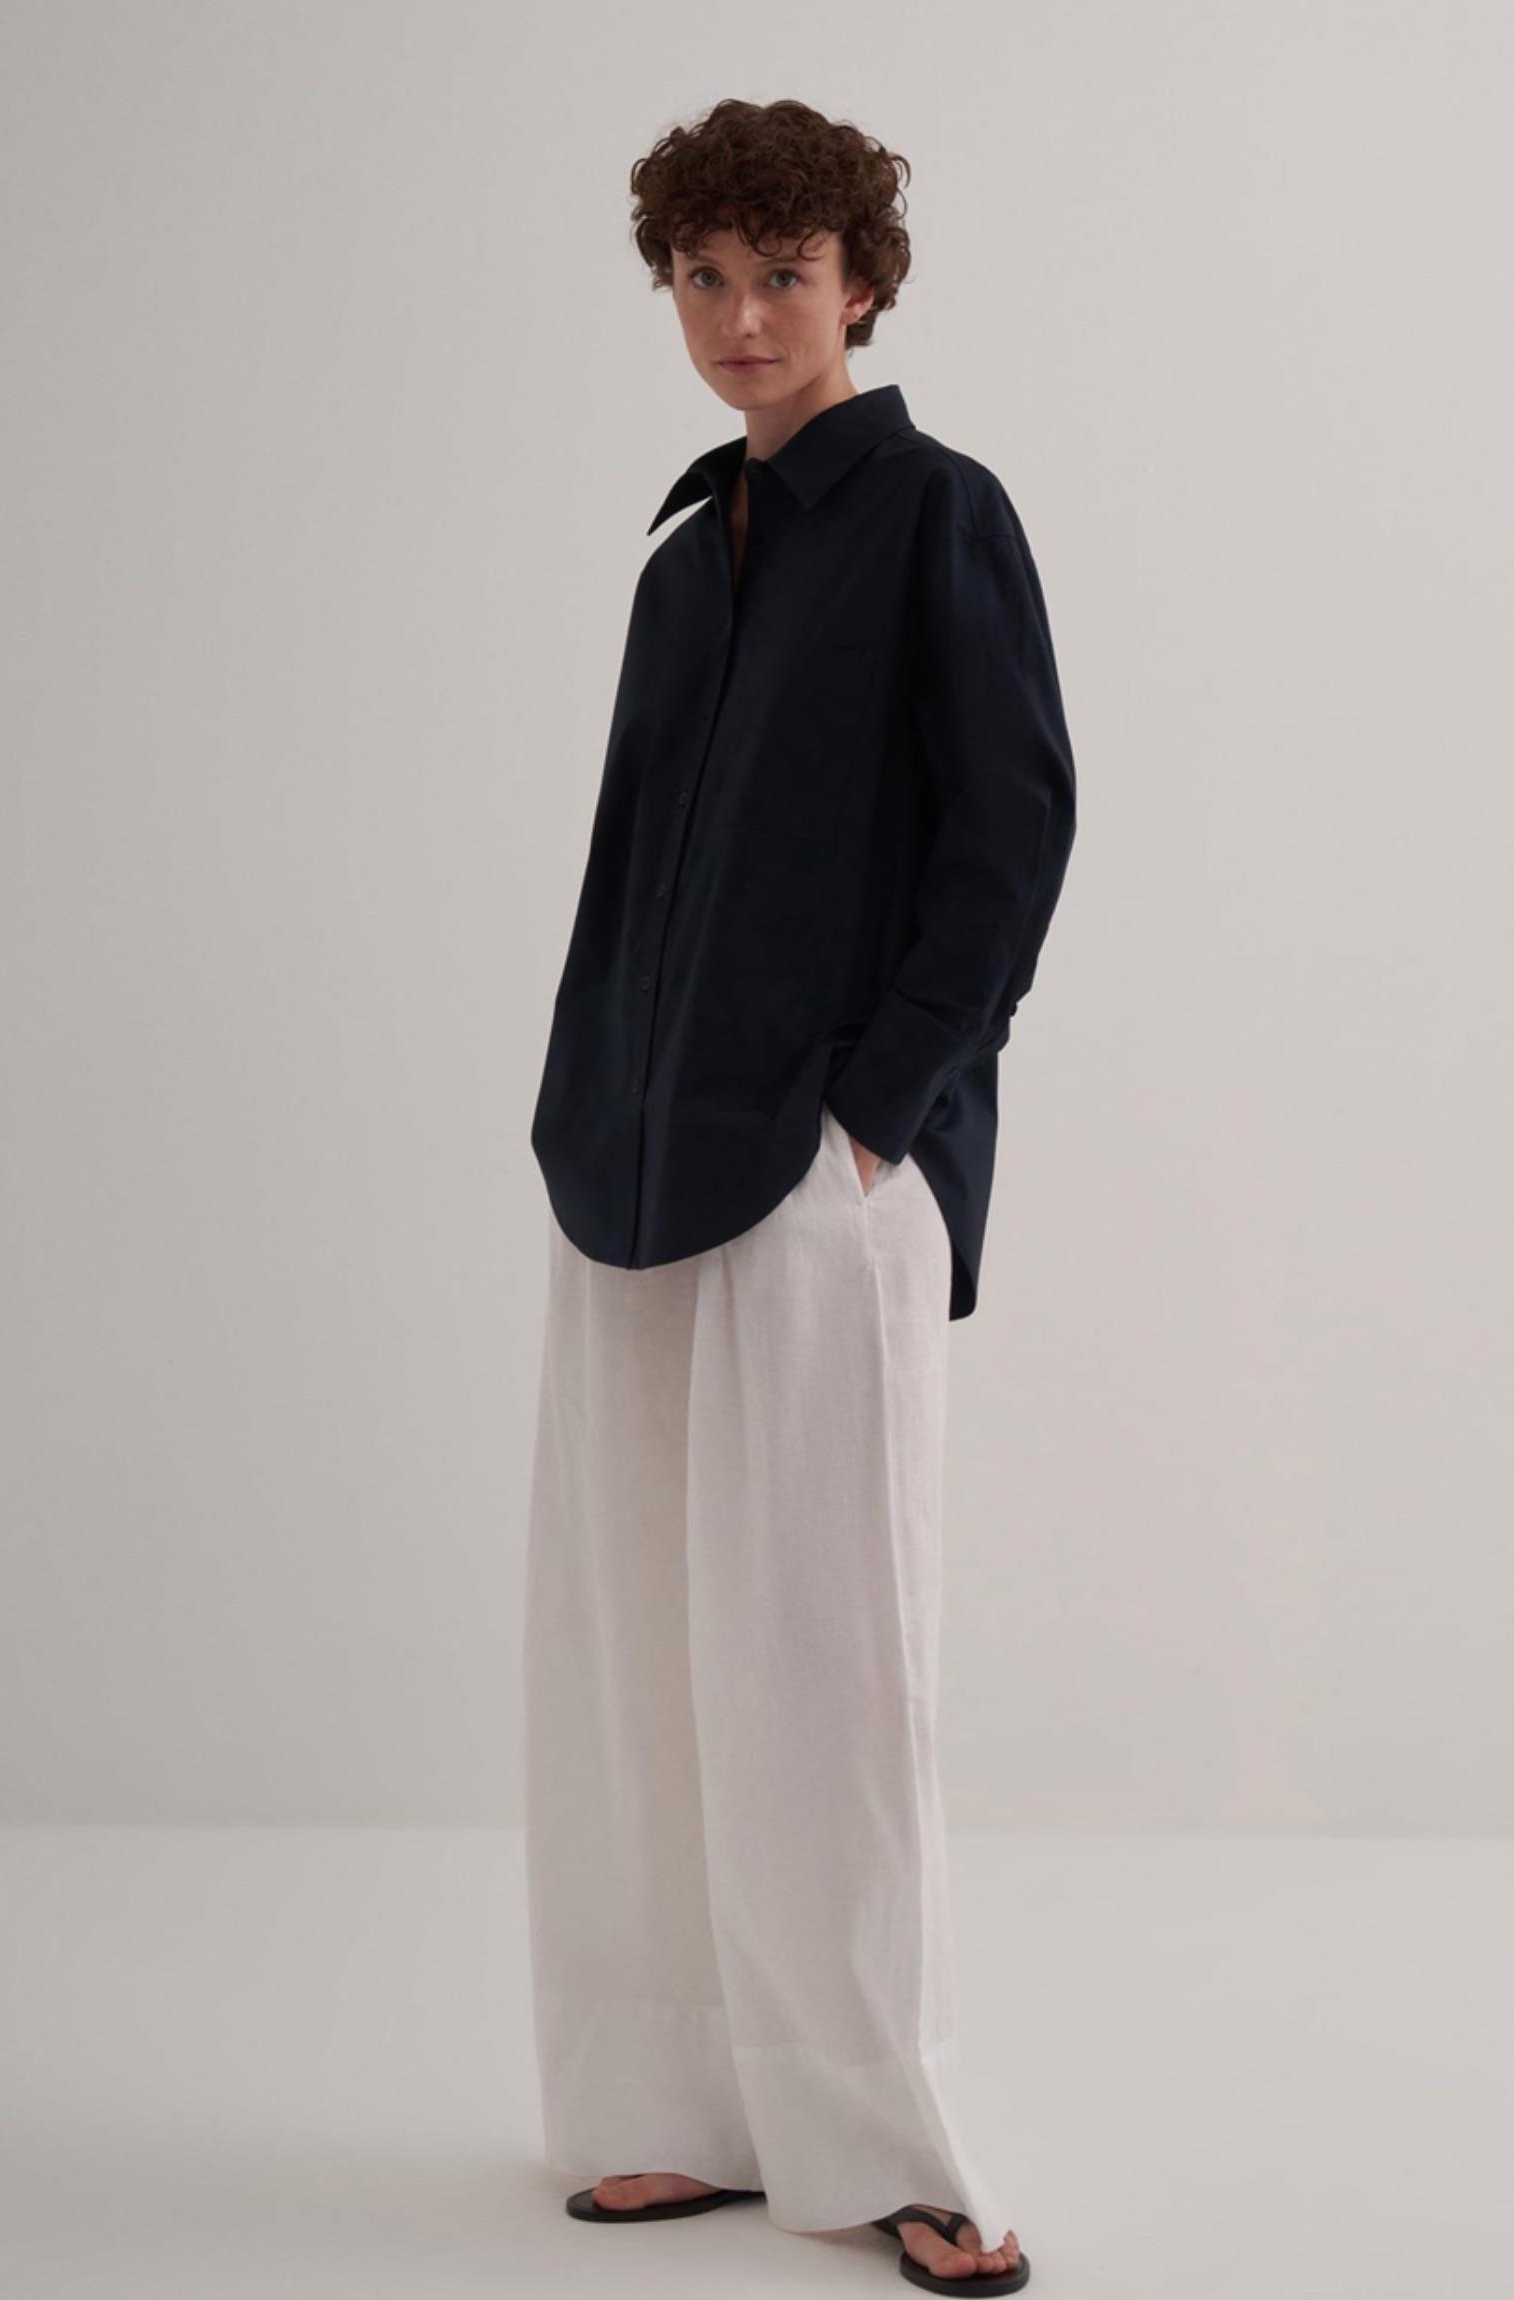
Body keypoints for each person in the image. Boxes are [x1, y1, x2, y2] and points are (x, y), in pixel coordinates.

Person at [523, 96, 1075, 2293]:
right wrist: (582, 1099)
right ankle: (676, 2109)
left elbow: (1013, 835)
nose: (743, 316)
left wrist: (881, 1108)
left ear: (862, 282)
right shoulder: (686, 560)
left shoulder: (940, 514)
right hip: (629, 1164)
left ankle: (889, 2138)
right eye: (705, 277)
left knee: (829, 1663)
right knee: (637, 1657)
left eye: (785, 274)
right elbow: (626, 870)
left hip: (824, 1166)